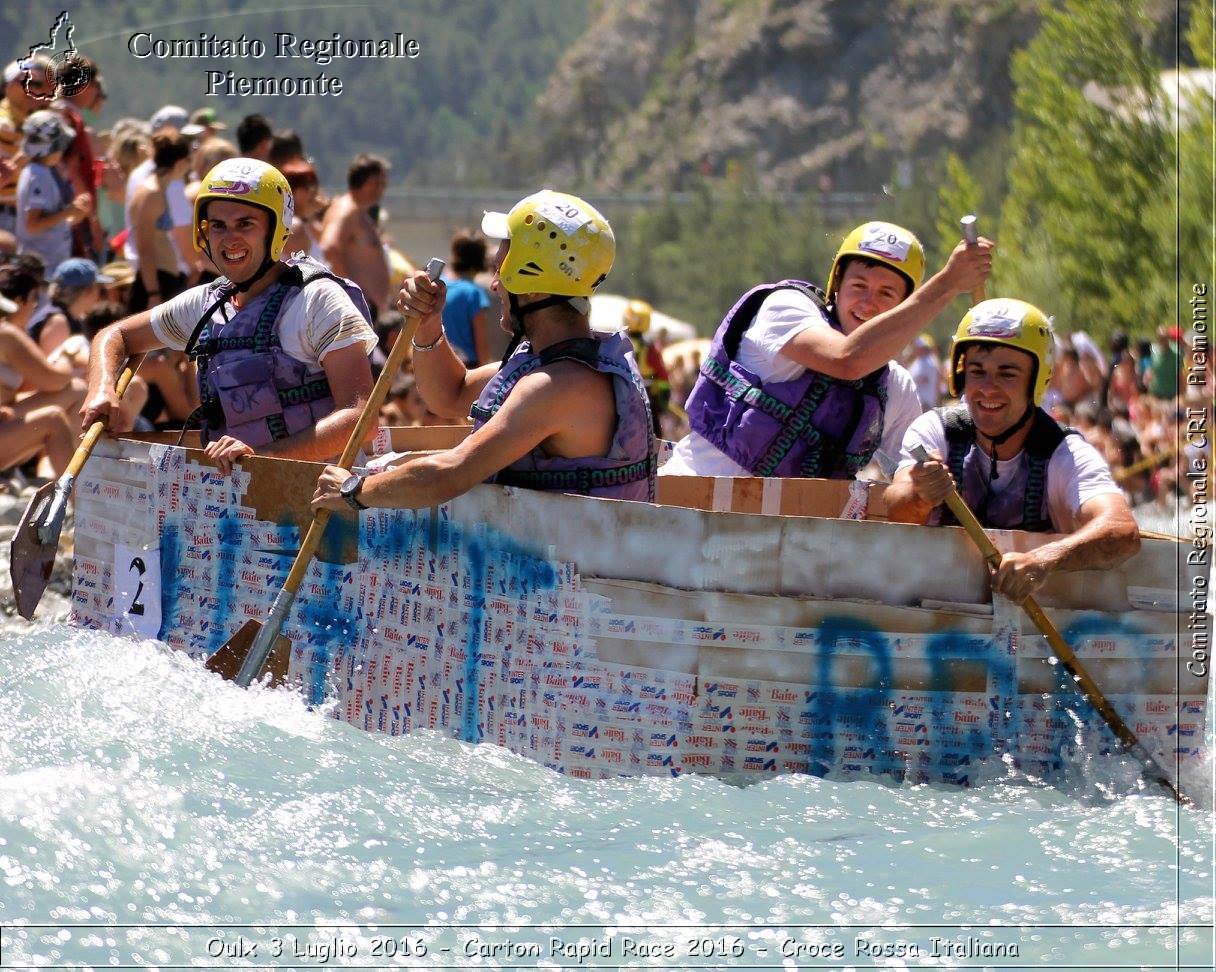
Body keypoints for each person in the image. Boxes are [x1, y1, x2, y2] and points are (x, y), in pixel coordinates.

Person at [311, 189, 655, 514]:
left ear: (531, 286)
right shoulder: (557, 363)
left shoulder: (557, 385)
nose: (494, 285)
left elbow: (451, 472)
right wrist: (429, 326)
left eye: (501, 271)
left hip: (572, 574)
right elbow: (449, 394)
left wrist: (355, 490)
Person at [82, 158, 377, 475]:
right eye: (218, 226)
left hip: (321, 494)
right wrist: (102, 389)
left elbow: (361, 419)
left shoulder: (318, 300)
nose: (229, 238)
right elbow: (118, 336)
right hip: (236, 501)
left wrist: (263, 456)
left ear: (276, 229)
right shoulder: (205, 303)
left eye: (245, 224)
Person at [662, 221, 993, 479]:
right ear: (836, 287)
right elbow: (847, 360)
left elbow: (907, 478)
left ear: (904, 308)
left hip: (789, 541)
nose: (868, 303)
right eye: (858, 286)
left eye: (886, 294)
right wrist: (948, 284)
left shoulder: (896, 388)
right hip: (693, 500)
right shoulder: (785, 308)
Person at [885, 298, 1140, 602]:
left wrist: (1045, 559)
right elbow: (894, 507)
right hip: (938, 612)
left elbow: (1122, 530)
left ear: (1035, 382)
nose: (987, 388)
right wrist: (920, 494)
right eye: (977, 372)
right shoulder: (936, 430)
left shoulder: (1064, 452)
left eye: (1007, 374)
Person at [16, 110, 92, 274]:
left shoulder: (47, 172)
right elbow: (32, 225)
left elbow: (52, 222)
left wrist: (76, 213)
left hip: (52, 264)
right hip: (42, 269)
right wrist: (67, 212)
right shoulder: (37, 175)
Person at [126, 131, 195, 312]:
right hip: (157, 281)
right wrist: (153, 293)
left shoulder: (158, 190)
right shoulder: (152, 193)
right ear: (180, 162)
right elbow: (145, 247)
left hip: (164, 278)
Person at [320, 153, 391, 319]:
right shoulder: (345, 211)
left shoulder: (360, 214)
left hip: (370, 312)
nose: (381, 189)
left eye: (383, 184)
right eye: (377, 183)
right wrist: (352, 294)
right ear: (361, 181)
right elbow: (329, 248)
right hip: (357, 310)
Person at [439, 229, 491, 366]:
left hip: (439, 363)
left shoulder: (439, 286)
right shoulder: (473, 293)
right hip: (467, 366)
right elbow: (481, 344)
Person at [622, 299, 672, 436]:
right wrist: (663, 400)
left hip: (624, 391)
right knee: (653, 434)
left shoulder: (619, 341)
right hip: (646, 396)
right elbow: (662, 375)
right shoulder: (649, 347)